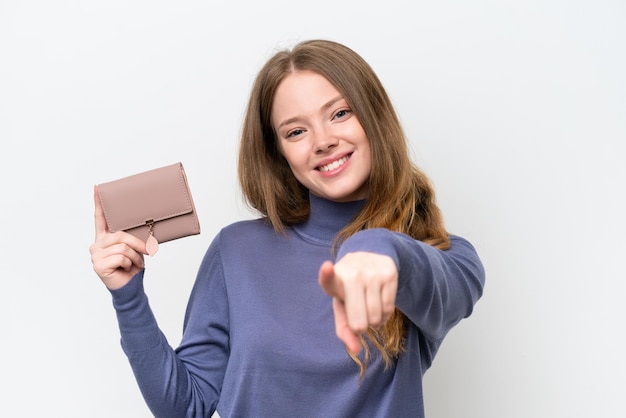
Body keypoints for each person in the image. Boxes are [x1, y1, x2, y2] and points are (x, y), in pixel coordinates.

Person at [90, 39, 485, 418]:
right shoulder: (236, 251)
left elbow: (450, 286)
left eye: (340, 113)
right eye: (296, 131)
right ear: (278, 153)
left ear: (374, 117)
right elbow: (185, 407)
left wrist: (381, 249)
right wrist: (128, 297)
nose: (323, 141)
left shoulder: (438, 256)